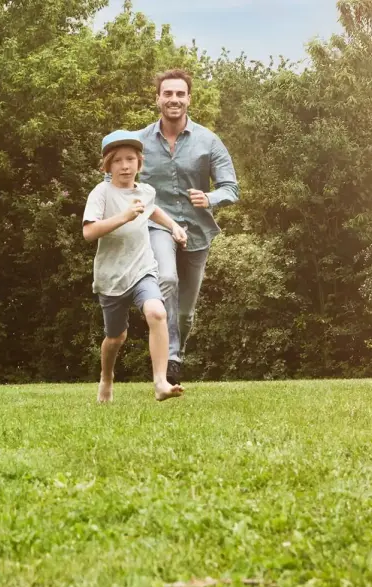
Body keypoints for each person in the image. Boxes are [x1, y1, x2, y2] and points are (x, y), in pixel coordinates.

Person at [139, 69, 240, 386]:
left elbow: (231, 189)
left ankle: (176, 353)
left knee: (186, 312)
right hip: (158, 227)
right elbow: (113, 179)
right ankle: (169, 359)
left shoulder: (208, 141)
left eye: (180, 94)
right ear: (158, 99)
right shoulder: (139, 141)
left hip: (197, 231)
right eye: (168, 93)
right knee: (165, 277)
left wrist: (209, 198)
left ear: (188, 99)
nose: (174, 99)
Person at [83, 130, 187, 403]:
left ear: (139, 163)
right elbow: (89, 232)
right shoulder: (101, 193)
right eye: (118, 160)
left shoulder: (146, 191)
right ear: (108, 165)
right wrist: (124, 216)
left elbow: (153, 209)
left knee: (157, 312)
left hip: (143, 269)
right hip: (111, 278)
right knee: (116, 338)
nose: (125, 166)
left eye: (131, 159)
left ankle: (161, 383)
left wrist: (174, 226)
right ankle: (106, 378)